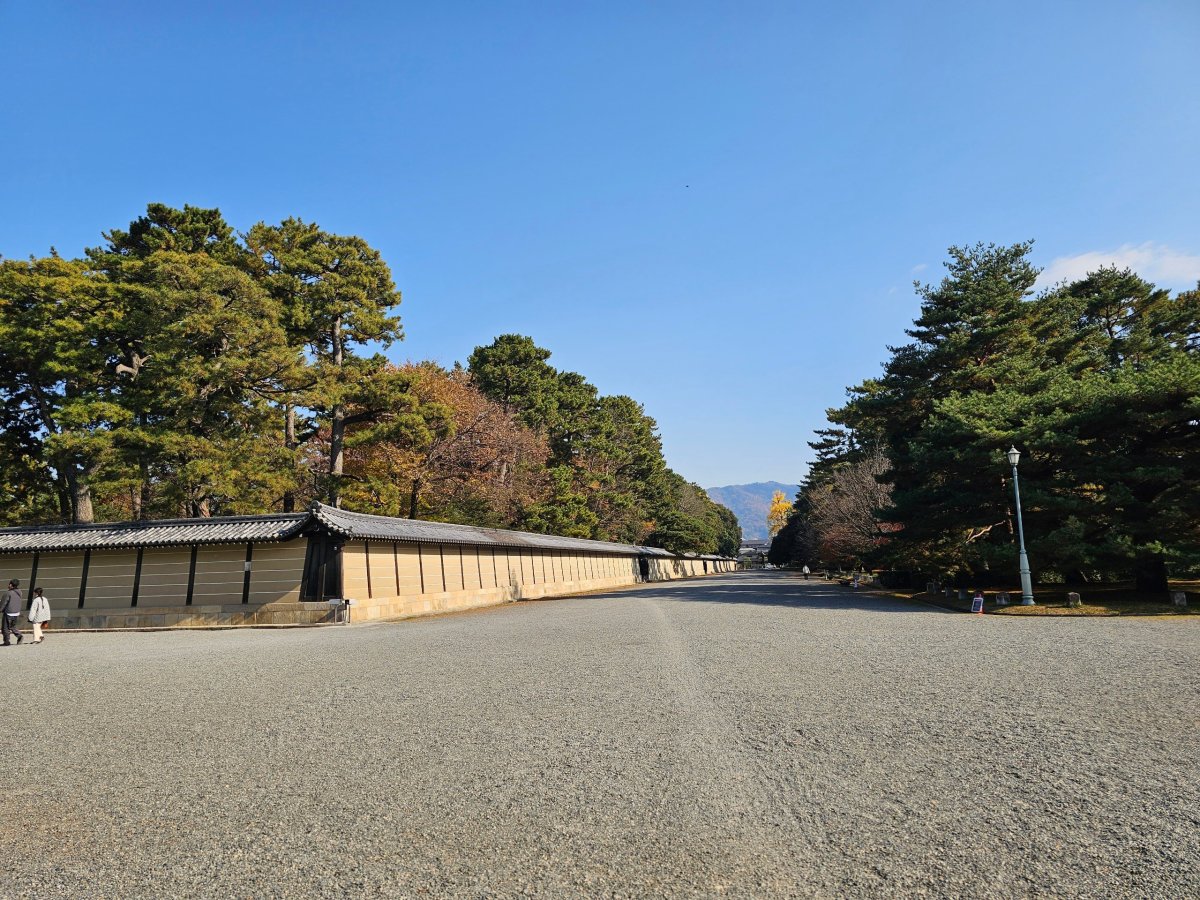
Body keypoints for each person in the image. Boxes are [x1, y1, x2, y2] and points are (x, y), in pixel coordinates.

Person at [2, 579, 23, 645]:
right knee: (12, 626)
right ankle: (19, 635)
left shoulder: (8, 593)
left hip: (9, 612)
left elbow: (3, 603)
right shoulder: (19, 592)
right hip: (16, 612)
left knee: (5, 628)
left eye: (9, 584)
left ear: (11, 585)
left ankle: (6, 641)